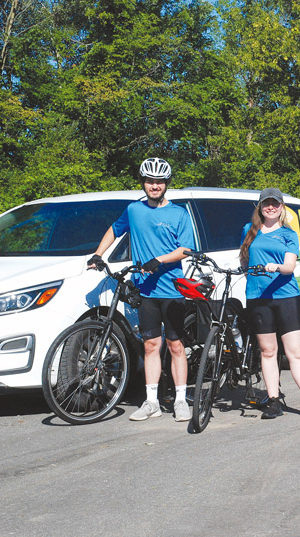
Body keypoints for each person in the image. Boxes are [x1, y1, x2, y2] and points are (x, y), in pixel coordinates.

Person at [88, 157, 195, 422]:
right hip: (145, 291)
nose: (154, 186)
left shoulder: (179, 213)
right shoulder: (134, 210)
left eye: (159, 182)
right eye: (150, 181)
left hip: (172, 289)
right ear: (143, 183)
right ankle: (151, 402)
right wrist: (98, 254)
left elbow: (185, 249)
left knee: (176, 345)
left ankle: (181, 400)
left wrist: (158, 260)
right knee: (150, 345)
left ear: (166, 184)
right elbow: (115, 229)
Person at [239, 187, 300, 420]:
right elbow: (244, 258)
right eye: (266, 203)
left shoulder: (289, 234)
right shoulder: (249, 231)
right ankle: (273, 401)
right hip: (257, 298)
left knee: (295, 353)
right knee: (268, 351)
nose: (270, 207)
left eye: (275, 203)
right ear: (260, 208)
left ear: (282, 208)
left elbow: (290, 266)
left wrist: (277, 267)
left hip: (285, 297)